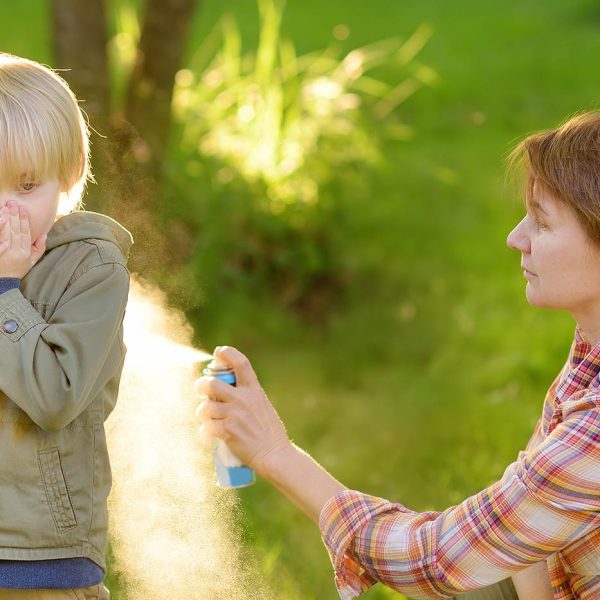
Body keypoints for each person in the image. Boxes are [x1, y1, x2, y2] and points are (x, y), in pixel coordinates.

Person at [196, 111, 600, 600]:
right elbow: (521, 528)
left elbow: (440, 559)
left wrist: (274, 453)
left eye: (543, 222)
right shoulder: (590, 346)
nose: (516, 237)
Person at [0, 54, 132, 599]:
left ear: (70, 173)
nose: (5, 209)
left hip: (41, 556)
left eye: (26, 185)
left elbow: (54, 396)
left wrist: (6, 291)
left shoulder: (92, 268)